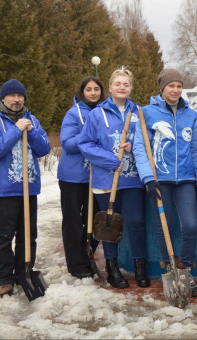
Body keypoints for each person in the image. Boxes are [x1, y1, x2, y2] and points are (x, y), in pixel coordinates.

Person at [133, 68, 197, 297]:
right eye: (171, 86)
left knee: (191, 226)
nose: (175, 90)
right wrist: (148, 178)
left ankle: (186, 268)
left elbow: (195, 148)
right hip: (159, 180)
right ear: (162, 88)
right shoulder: (146, 113)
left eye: (179, 86)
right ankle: (170, 267)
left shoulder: (190, 115)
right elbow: (140, 149)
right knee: (165, 226)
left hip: (185, 179)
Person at [79, 67, 149, 289]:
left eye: (126, 84)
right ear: (109, 88)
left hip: (133, 179)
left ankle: (140, 268)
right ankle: (113, 269)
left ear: (130, 88)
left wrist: (134, 146)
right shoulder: (96, 114)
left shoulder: (139, 112)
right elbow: (85, 144)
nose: (122, 87)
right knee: (109, 225)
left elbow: (148, 142)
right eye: (117, 84)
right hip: (106, 180)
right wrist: (111, 159)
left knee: (136, 222)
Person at [0, 79, 51, 297]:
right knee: (4, 236)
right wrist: (16, 129)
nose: (16, 99)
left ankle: (24, 272)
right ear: (3, 98)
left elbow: (43, 149)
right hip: (4, 190)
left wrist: (29, 130)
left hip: (28, 188)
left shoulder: (32, 119)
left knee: (28, 235)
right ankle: (5, 279)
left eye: (20, 96)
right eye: (12, 96)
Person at [57, 76, 107, 279]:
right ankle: (76, 265)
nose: (93, 93)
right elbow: (67, 143)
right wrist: (88, 132)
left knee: (95, 220)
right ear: (82, 92)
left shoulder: (105, 112)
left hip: (96, 176)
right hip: (72, 177)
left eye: (96, 89)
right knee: (73, 222)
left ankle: (87, 256)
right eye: (88, 89)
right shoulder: (74, 113)